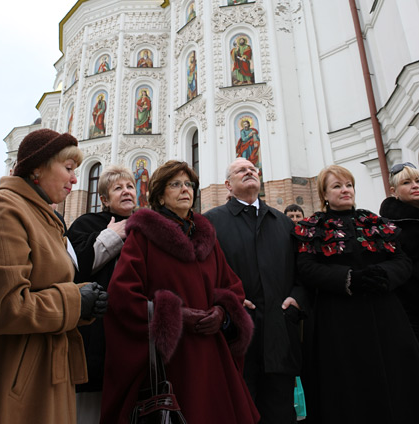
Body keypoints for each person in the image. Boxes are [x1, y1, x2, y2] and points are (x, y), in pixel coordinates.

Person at [101, 160, 259, 424]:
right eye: (176, 184)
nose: (185, 189)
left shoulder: (206, 236)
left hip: (212, 356)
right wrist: (176, 316)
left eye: (189, 184)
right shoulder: (143, 236)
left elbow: (232, 287)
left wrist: (222, 313)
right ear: (161, 194)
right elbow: (122, 296)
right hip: (172, 360)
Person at [0, 129, 108, 424]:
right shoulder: (2, 210)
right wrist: (75, 301)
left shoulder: (45, 217)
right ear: (37, 167)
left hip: (47, 368)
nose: (75, 179)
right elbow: (7, 308)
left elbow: (48, 284)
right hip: (14, 376)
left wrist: (86, 298)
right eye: (69, 169)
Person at [293, 164, 419, 424]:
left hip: (384, 315)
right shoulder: (314, 227)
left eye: (348, 185)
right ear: (325, 194)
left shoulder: (372, 221)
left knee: (395, 380)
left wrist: (383, 274)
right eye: (337, 186)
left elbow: (403, 261)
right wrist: (349, 278)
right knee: (349, 385)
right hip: (339, 320)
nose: (345, 190)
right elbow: (307, 268)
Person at [205, 158, 307, 423]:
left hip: (280, 332)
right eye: (241, 170)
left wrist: (297, 299)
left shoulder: (282, 222)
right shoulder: (211, 223)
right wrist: (227, 300)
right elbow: (203, 276)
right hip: (235, 333)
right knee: (239, 410)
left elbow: (302, 271)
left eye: (252, 169)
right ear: (228, 185)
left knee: (280, 410)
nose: (249, 171)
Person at [68, 165, 136, 424]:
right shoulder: (86, 223)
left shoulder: (144, 224)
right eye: (118, 188)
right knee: (91, 410)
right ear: (105, 200)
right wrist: (113, 235)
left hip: (132, 327)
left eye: (130, 186)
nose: (126, 191)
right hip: (97, 331)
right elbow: (77, 267)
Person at [380, 162, 419, 338]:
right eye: (407, 182)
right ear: (393, 191)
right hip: (411, 306)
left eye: (418, 180)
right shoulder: (390, 227)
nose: (415, 186)